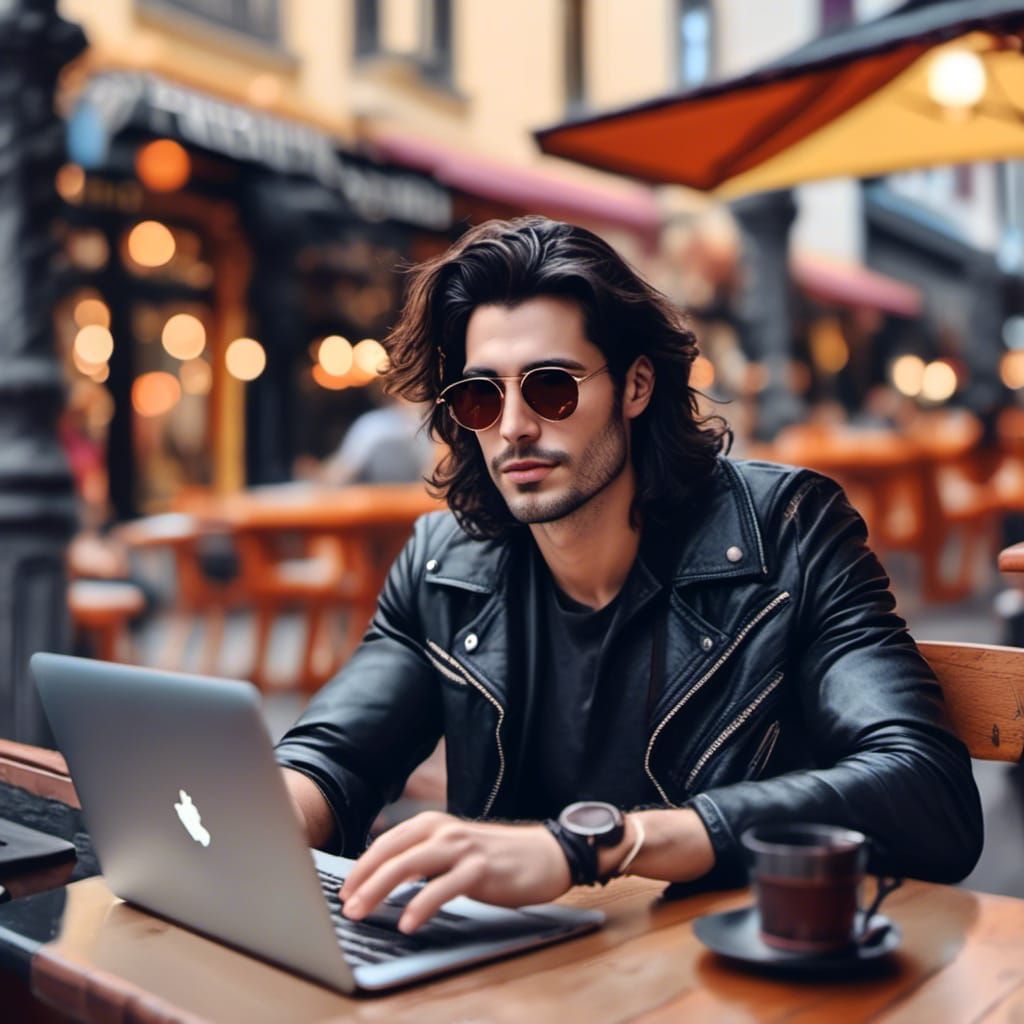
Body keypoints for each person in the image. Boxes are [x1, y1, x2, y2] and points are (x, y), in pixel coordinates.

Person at [275, 217, 982, 936]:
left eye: (551, 388)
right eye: (481, 396)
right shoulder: (443, 565)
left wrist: (597, 845)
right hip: (510, 972)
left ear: (636, 385)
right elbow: (332, 757)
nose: (513, 426)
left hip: (724, 963)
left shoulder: (788, 532)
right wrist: (254, 818)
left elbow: (927, 790)